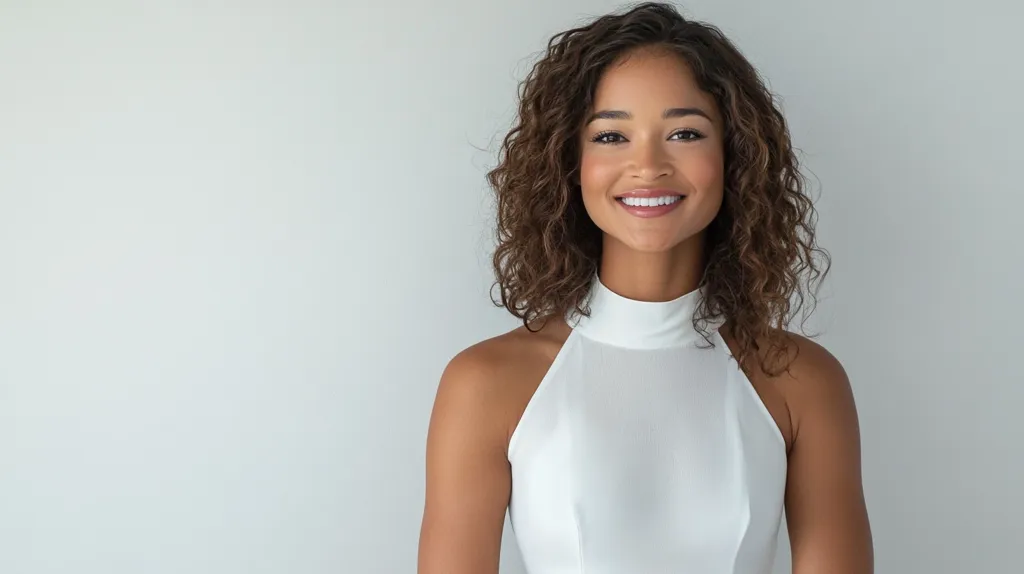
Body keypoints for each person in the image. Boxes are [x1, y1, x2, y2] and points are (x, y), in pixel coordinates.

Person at [417, 2, 872, 573]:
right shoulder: (485, 385)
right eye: (611, 136)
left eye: (685, 132)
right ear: (569, 161)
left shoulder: (802, 381)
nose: (648, 165)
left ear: (734, 158)